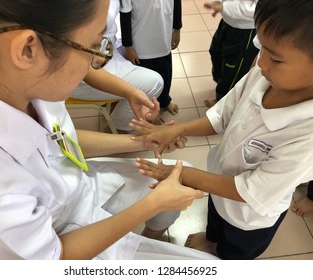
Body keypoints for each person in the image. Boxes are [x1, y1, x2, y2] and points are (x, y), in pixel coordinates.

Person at [0, 0, 221, 260]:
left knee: (173, 177)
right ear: (28, 50)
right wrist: (153, 204)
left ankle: (149, 238)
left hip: (81, 192)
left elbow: (60, 140)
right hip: (65, 244)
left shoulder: (22, 83)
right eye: (94, 46)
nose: (95, 62)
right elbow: (55, 260)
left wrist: (143, 141)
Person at [130, 0, 313, 259]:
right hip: (218, 186)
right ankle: (212, 237)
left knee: (234, 251)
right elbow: (220, 116)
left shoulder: (307, 136)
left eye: (276, 58)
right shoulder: (263, 78)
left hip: (250, 218)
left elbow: (248, 192)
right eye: (261, 48)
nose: (260, 63)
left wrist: (182, 174)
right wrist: (177, 129)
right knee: (215, 221)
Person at [71, 0, 165, 131]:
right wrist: (129, 92)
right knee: (154, 82)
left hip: (105, 49)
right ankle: (119, 125)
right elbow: (85, 68)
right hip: (84, 69)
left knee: (142, 48)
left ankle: (121, 110)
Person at [119, 0, 181, 115]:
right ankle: (149, 109)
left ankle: (164, 101)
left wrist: (177, 29)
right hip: (140, 42)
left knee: (165, 73)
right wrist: (128, 45)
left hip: (163, 35)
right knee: (145, 80)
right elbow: (125, 14)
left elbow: (177, 4)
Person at [203, 0, 259, 108]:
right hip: (227, 23)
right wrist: (220, 5)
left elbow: (258, 9)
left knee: (233, 69)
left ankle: (223, 101)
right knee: (215, 53)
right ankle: (221, 84)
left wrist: (225, 7)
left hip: (245, 31)